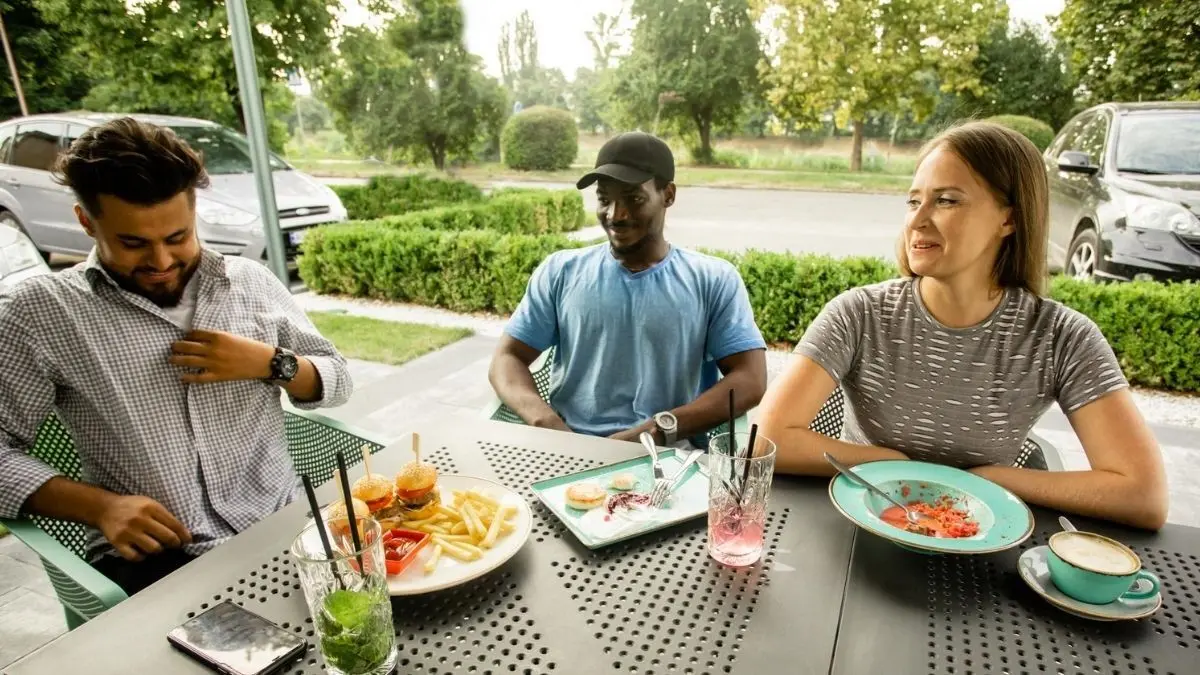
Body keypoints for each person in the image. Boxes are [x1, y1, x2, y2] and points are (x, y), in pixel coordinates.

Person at [0, 118, 354, 594]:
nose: (161, 263)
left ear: (194, 211)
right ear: (86, 221)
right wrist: (99, 508)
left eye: (177, 237)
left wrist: (272, 363)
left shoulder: (249, 282)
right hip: (158, 557)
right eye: (133, 244)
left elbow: (338, 380)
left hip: (285, 524)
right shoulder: (43, 313)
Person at [757, 121, 1168, 530]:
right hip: (860, 527)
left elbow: (1143, 494)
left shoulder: (1062, 338)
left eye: (947, 201)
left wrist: (990, 480)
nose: (917, 220)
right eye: (913, 200)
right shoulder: (858, 313)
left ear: (1010, 218)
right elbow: (765, 439)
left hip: (984, 548)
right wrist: (892, 463)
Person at [488, 131, 767, 446]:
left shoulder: (713, 279)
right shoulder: (561, 272)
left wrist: (658, 431)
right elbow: (507, 357)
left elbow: (750, 379)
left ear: (668, 195)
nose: (615, 215)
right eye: (605, 198)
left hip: (667, 457)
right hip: (572, 449)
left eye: (634, 199)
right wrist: (546, 421)